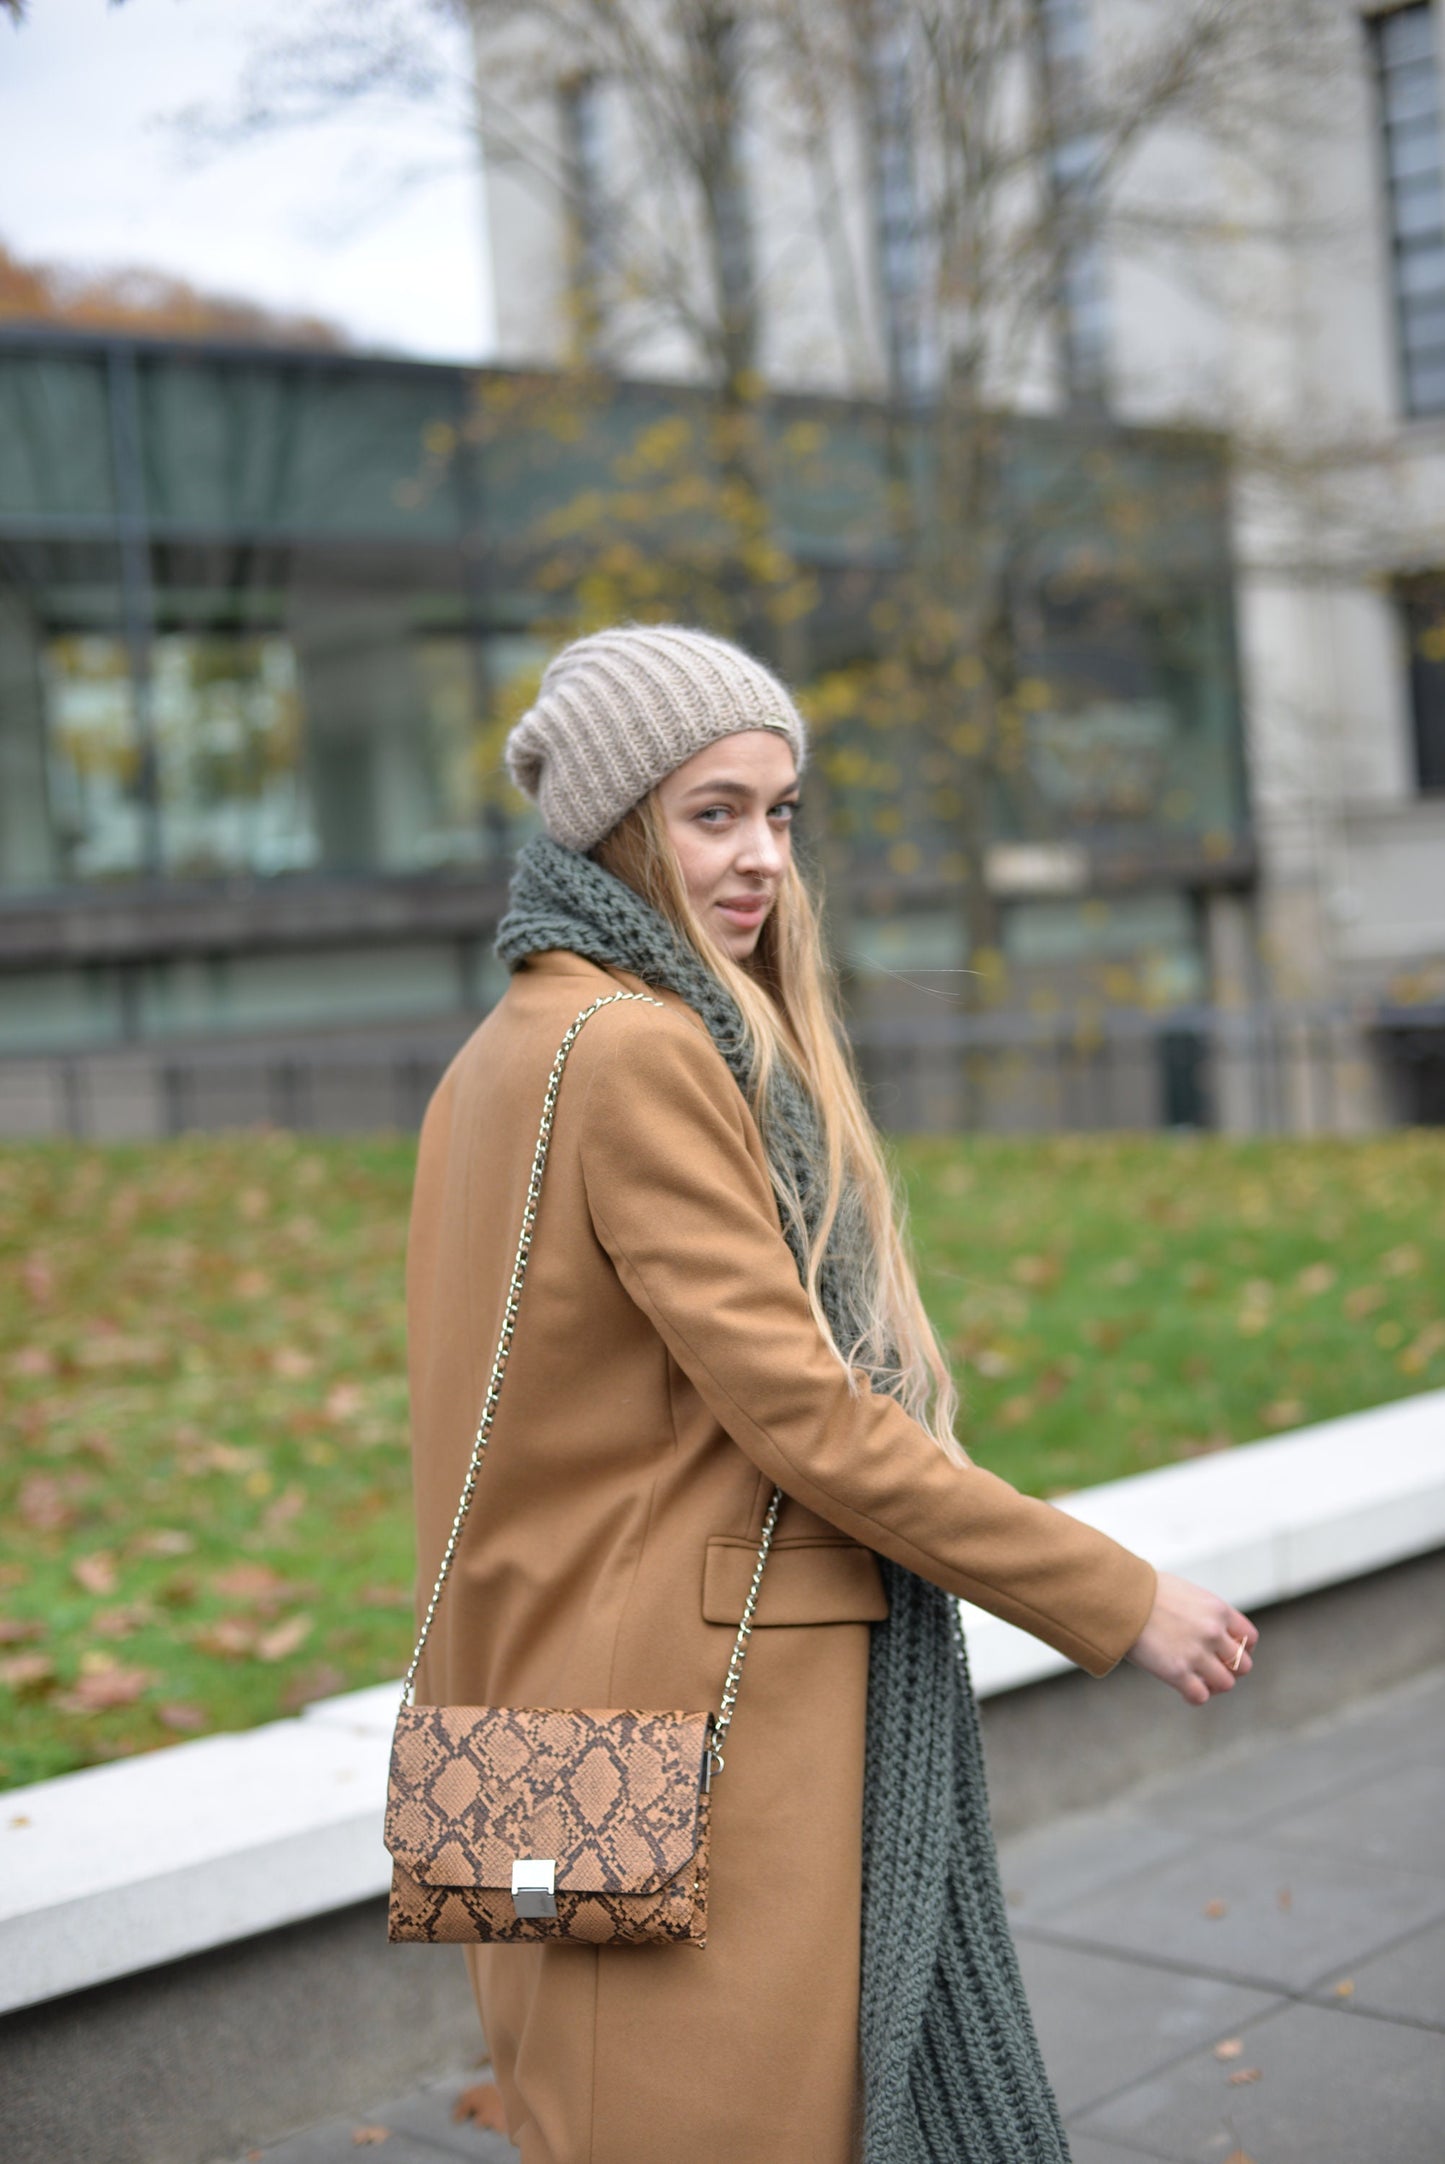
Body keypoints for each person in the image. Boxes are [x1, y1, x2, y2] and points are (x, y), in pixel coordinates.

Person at [404, 624, 1258, 2164]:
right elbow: (807, 1419)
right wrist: (1117, 1597)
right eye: (711, 813)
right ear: (614, 822)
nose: (762, 861)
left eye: (780, 812)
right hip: (697, 1730)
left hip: (546, 1715)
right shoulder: (638, 1053)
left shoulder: (496, 1057)